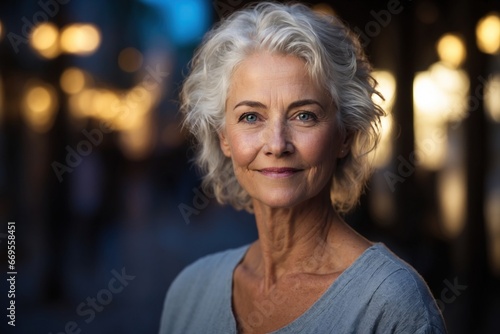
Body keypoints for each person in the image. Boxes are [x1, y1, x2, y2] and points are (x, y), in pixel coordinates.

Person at [159, 2, 447, 333]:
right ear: (224, 137)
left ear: (344, 135)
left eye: (304, 115)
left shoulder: (390, 303)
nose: (277, 144)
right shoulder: (189, 293)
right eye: (251, 117)